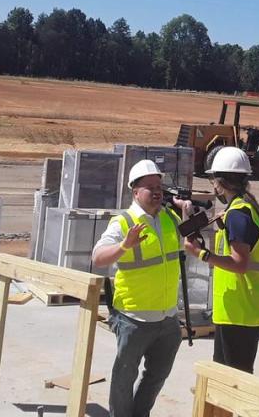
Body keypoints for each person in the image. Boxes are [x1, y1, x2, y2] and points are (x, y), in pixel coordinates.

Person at [92, 159, 189, 417]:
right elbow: (98, 257)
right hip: (134, 318)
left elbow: (189, 244)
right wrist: (125, 245)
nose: (157, 192)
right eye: (150, 187)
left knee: (157, 376)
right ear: (135, 192)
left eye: (159, 186)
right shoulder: (123, 222)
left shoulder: (169, 217)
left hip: (167, 317)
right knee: (124, 378)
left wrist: (187, 213)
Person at [183, 147, 259, 374]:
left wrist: (201, 254)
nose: (213, 186)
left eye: (214, 180)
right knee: (223, 375)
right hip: (239, 308)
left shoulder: (238, 214)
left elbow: (239, 264)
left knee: (235, 379)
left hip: (240, 310)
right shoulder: (242, 208)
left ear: (221, 182)